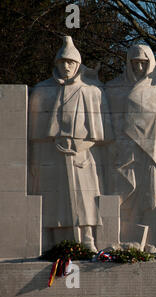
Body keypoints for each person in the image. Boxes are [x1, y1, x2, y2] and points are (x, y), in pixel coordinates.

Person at [29, 36, 113, 252]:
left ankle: (87, 238)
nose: (66, 66)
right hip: (53, 155)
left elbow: (102, 134)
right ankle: (54, 240)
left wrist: (82, 146)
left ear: (78, 65)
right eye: (62, 62)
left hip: (83, 155)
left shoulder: (92, 92)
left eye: (71, 62)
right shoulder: (42, 90)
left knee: (86, 198)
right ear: (56, 64)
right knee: (54, 198)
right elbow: (36, 134)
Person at [105, 44, 156, 249]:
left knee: (153, 196)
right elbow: (107, 122)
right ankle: (124, 241)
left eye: (143, 62)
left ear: (151, 63)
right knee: (126, 195)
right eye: (134, 62)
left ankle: (154, 241)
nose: (139, 66)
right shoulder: (113, 89)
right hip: (125, 153)